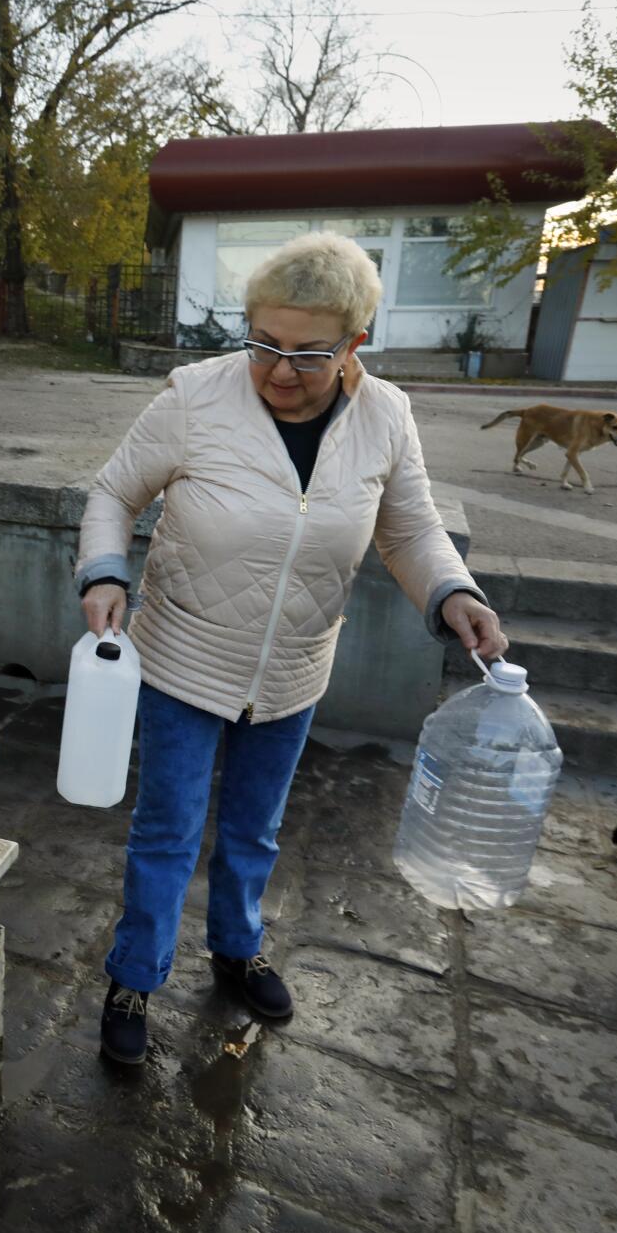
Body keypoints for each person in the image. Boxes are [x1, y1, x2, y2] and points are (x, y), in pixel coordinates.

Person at [75, 232, 508, 1066]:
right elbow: (114, 490)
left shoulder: (387, 417)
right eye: (263, 342)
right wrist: (104, 571)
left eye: (307, 353)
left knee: (256, 829)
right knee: (166, 830)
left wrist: (456, 594)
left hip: (295, 667)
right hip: (183, 658)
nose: (277, 369)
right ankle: (135, 976)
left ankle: (237, 948)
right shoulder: (196, 396)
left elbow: (411, 527)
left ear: (356, 344)